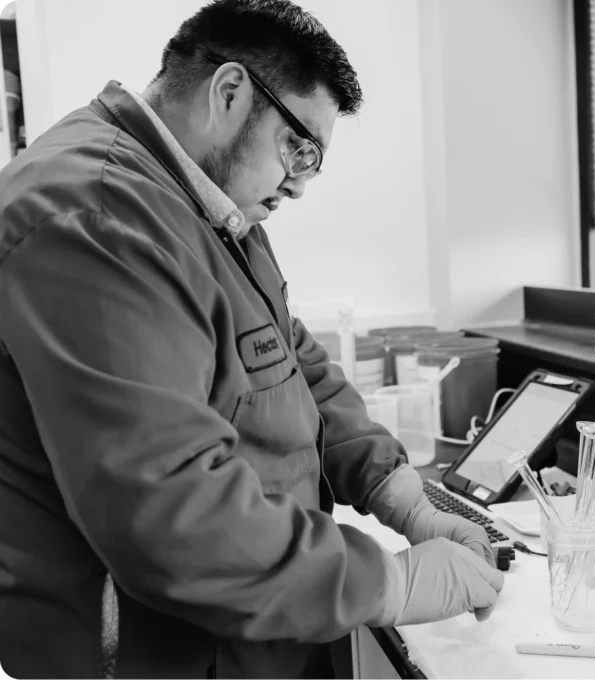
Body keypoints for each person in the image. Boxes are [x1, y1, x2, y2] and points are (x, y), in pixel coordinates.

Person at [0, 1, 504, 678]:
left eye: (315, 161)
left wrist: (402, 497)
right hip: (136, 653)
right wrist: (391, 582)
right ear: (230, 93)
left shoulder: (205, 209)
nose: (301, 181)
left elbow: (294, 365)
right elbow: (169, 514)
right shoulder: (95, 218)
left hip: (251, 628)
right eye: (299, 147)